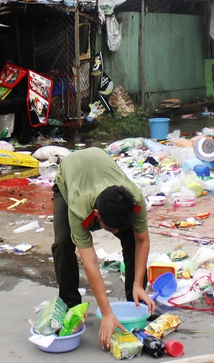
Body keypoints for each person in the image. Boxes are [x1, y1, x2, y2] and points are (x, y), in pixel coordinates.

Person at [52, 147, 155, 348]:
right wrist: (107, 313)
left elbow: (143, 240)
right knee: (63, 242)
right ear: (97, 215)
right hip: (70, 176)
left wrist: (138, 283)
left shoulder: (134, 199)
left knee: (132, 237)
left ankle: (135, 300)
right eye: (110, 229)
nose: (114, 233)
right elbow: (90, 262)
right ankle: (71, 304)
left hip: (100, 168)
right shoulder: (79, 209)